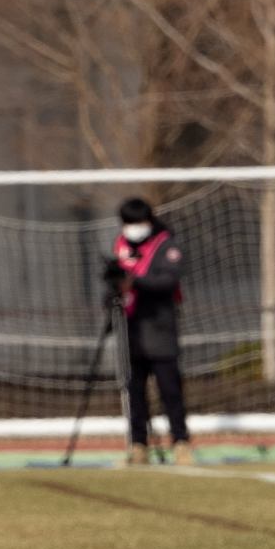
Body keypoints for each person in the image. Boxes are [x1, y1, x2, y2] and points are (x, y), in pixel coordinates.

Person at [113, 198, 192, 466]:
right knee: (134, 393)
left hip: (160, 330)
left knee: (170, 391)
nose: (133, 228)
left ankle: (181, 443)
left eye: (137, 222)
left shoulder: (166, 245)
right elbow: (116, 282)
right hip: (131, 332)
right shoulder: (121, 246)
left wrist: (134, 282)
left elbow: (168, 281)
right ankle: (138, 446)